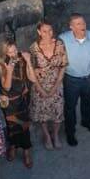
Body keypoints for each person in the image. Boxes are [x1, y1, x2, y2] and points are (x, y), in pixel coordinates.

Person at [60, 13, 90, 147]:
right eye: (78, 24)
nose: (83, 26)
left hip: (89, 78)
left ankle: (86, 121)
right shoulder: (63, 39)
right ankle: (70, 131)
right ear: (71, 27)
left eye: (83, 23)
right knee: (70, 107)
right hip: (71, 79)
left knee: (87, 101)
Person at [26, 20, 66, 154]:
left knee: (58, 112)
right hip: (39, 86)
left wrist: (55, 87)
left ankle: (55, 134)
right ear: (39, 32)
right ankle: (47, 136)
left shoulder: (59, 44)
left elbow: (63, 66)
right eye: (44, 31)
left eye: (50, 30)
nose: (48, 33)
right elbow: (31, 70)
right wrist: (41, 89)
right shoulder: (34, 48)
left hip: (57, 84)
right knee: (42, 113)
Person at [0, 38, 34, 169]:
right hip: (9, 101)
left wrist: (29, 61)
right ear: (4, 53)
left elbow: (33, 79)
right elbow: (6, 87)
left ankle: (26, 151)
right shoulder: (1, 63)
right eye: (10, 52)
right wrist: (9, 71)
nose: (13, 54)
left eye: (15, 50)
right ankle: (13, 147)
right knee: (11, 125)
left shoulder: (22, 58)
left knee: (24, 126)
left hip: (23, 98)